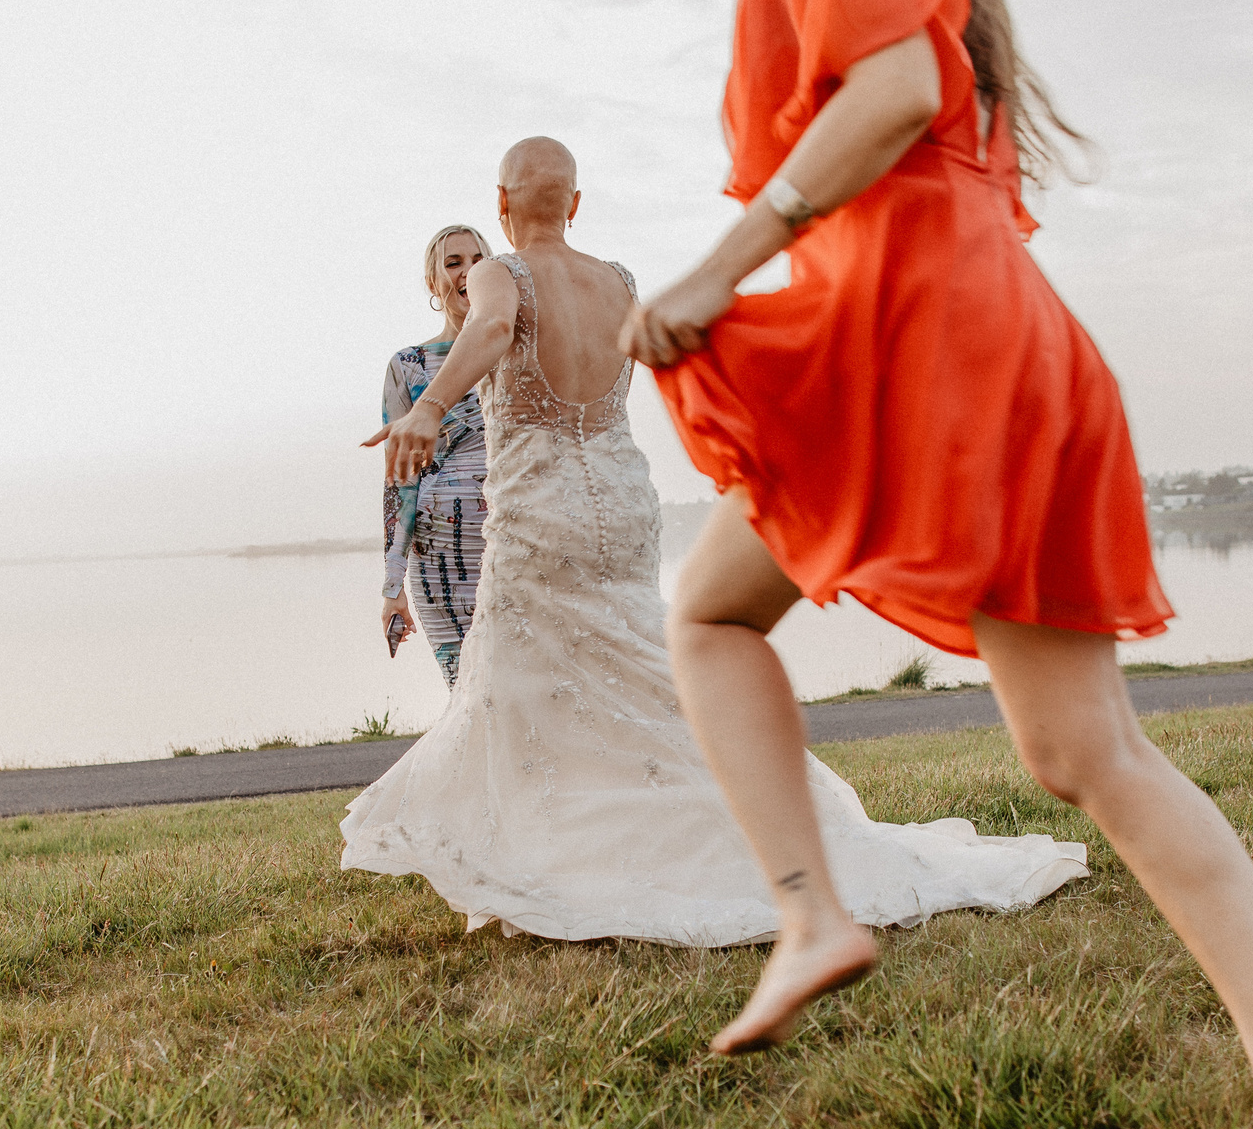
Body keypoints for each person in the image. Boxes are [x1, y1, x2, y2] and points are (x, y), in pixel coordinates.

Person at [621, 0, 1253, 1129]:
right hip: (994, 343)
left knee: (710, 616)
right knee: (1086, 748)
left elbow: (895, 89)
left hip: (926, 358)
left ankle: (811, 913)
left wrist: (719, 267)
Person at [341, 136, 1088, 945]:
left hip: (541, 507)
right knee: (638, 667)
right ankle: (706, 815)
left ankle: (561, 854)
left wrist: (428, 405)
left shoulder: (501, 275)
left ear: (501, 205)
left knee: (532, 681)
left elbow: (488, 331)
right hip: (622, 501)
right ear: (577, 204)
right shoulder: (617, 280)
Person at [380, 224, 495, 688]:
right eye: (453, 263)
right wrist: (393, 588)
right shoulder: (407, 365)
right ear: (433, 283)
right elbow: (399, 482)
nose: (468, 272)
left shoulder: (516, 351)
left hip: (515, 553)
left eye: (478, 261)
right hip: (438, 569)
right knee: (467, 701)